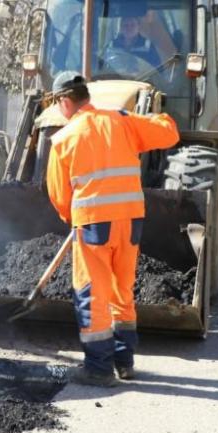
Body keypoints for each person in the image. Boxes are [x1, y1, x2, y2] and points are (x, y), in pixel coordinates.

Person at [46, 72, 180, 387]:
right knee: (122, 290)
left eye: (56, 103)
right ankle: (124, 360)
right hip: (130, 221)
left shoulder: (65, 138)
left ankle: (98, 368)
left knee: (92, 293)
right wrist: (158, 112)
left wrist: (72, 217)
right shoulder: (122, 120)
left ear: (65, 100)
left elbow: (58, 193)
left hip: (93, 224)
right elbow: (169, 133)